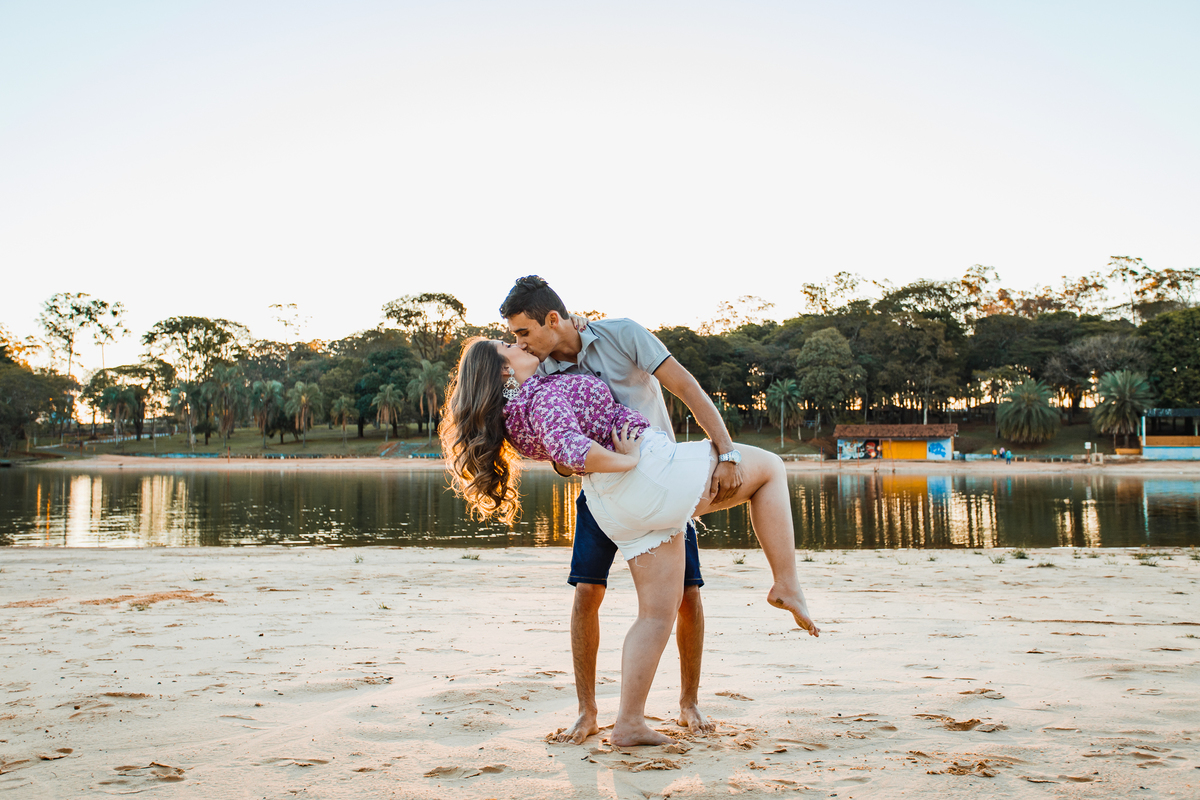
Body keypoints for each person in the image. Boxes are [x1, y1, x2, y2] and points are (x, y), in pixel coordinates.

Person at [440, 336, 819, 748]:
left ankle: (629, 723)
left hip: (614, 504)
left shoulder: (513, 410)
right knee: (769, 470)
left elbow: (566, 450)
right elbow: (574, 450)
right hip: (645, 472)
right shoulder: (538, 398)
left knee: (657, 614)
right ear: (503, 370)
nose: (516, 343)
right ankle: (786, 584)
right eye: (505, 344)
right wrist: (629, 460)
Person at [498, 276, 741, 743]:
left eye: (523, 332)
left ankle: (688, 701)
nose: (519, 343)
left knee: (687, 596)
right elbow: (558, 450)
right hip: (602, 493)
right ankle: (587, 712)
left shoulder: (621, 334)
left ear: (553, 318)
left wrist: (726, 450)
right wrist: (572, 464)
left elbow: (685, 387)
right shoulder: (541, 372)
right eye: (514, 338)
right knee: (586, 594)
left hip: (657, 484)